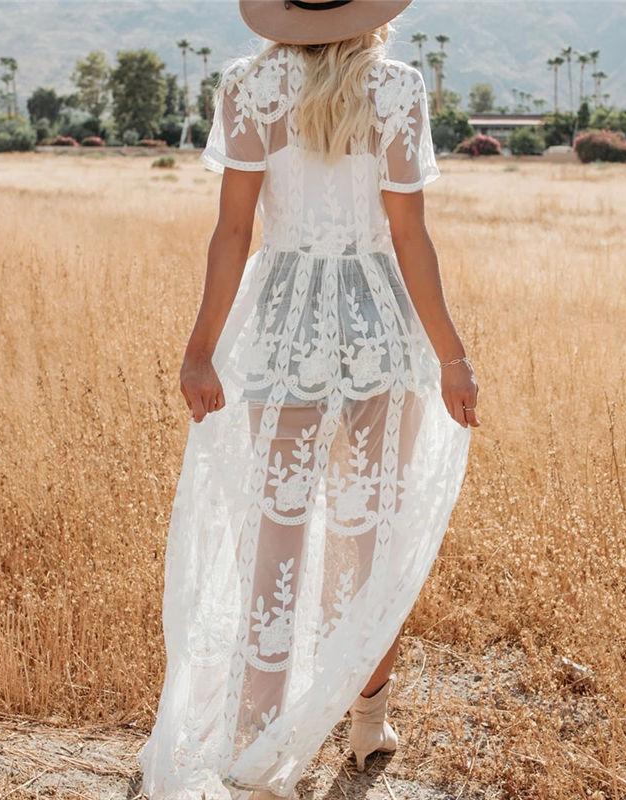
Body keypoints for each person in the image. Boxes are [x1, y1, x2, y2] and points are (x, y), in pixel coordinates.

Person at [137, 1, 479, 797]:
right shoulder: (397, 88)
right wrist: (452, 357)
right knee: (373, 542)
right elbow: (409, 236)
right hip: (381, 338)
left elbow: (233, 233)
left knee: (273, 541)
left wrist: (200, 349)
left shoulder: (248, 87)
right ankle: (367, 724)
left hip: (282, 335)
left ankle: (256, 741)